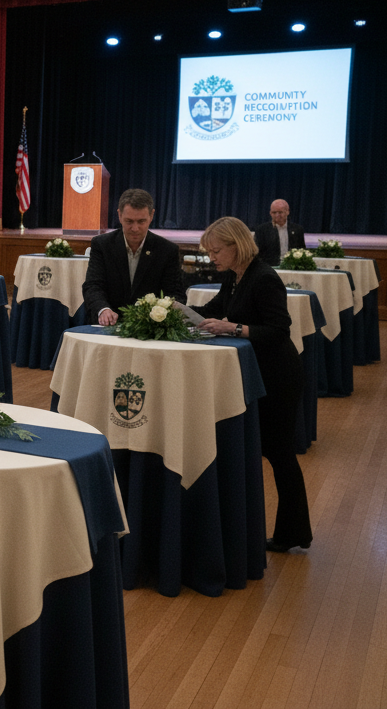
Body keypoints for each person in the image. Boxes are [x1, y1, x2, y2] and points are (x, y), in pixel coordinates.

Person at [192, 216, 312, 553]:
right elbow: (213, 310)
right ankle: (286, 532)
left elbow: (278, 330)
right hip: (257, 374)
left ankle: (294, 533)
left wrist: (232, 329)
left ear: (236, 245)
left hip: (278, 376)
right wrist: (177, 311)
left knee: (280, 454)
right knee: (270, 453)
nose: (212, 257)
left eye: (216, 251)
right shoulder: (235, 276)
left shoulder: (263, 277)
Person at [82, 188, 185, 326]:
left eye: (141, 221)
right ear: (119, 215)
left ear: (152, 215)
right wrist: (103, 310)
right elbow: (93, 285)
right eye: (129, 221)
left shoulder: (167, 250)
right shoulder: (102, 245)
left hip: (150, 329)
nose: (135, 228)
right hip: (108, 325)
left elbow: (175, 294)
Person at [252, 199, 306, 266]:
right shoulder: (261, 230)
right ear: (270, 213)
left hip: (292, 267)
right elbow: (256, 253)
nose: (277, 215)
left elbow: (302, 250)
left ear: (287, 212)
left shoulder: (298, 229)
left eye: (280, 212)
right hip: (269, 268)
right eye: (274, 212)